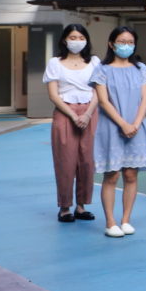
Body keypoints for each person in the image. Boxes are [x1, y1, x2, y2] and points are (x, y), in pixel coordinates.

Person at [91, 26, 146, 237]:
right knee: (112, 175)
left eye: (130, 42)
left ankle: (126, 219)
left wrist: (135, 123)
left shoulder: (141, 69)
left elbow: (145, 99)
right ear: (111, 44)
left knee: (131, 174)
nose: (126, 45)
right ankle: (110, 222)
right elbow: (103, 101)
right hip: (111, 127)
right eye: (122, 41)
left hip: (136, 127)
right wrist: (123, 124)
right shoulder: (102, 69)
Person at [45, 24, 99, 223]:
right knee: (65, 161)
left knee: (87, 161)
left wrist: (88, 114)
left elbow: (98, 91)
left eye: (81, 38)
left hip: (90, 111)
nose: (77, 41)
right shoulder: (55, 63)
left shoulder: (94, 62)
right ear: (65, 40)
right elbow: (53, 94)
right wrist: (73, 115)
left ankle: (82, 205)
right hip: (64, 111)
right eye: (73, 37)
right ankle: (65, 206)